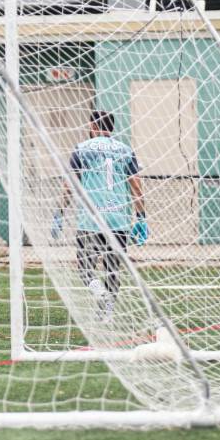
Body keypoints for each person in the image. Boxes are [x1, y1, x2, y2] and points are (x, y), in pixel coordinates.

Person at [53, 109, 147, 321]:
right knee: (112, 268)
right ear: (111, 128)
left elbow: (70, 185)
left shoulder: (82, 149)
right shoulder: (125, 150)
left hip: (91, 221)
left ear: (93, 126)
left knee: (85, 267)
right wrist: (141, 217)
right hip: (118, 221)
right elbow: (136, 186)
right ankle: (108, 313)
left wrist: (59, 213)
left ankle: (99, 293)